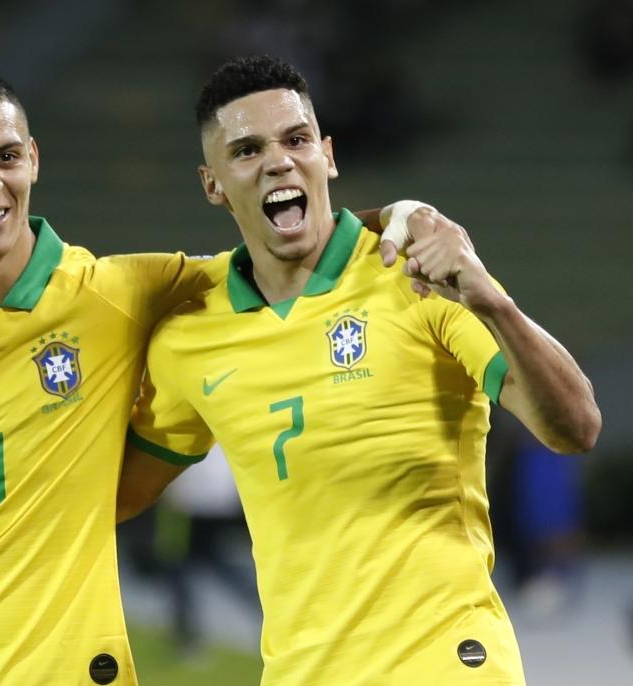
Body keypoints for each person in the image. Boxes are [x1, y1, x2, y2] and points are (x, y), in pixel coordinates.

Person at [0, 67, 433, 685]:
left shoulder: (120, 292)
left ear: (33, 158)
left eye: (4, 157)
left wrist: (396, 217)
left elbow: (279, 252)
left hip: (81, 669)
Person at [113, 56, 600, 685]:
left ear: (328, 156)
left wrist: (494, 302)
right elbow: (117, 496)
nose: (279, 161)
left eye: (296, 140)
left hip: (447, 664)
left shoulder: (419, 277)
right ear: (212, 184)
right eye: (247, 149)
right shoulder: (191, 338)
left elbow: (575, 427)